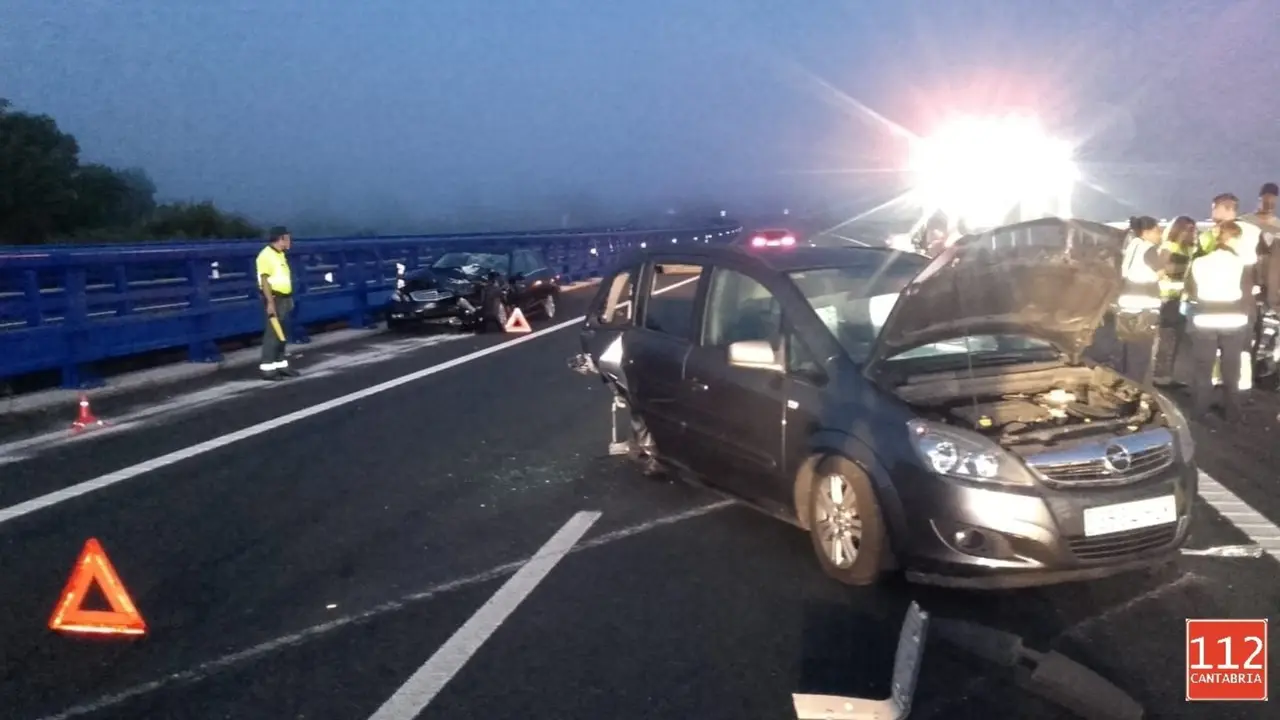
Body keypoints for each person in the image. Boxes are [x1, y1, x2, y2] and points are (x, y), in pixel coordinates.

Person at [1184, 221, 1251, 421]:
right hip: (1233, 320)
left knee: (1203, 368)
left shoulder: (1199, 262)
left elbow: (1191, 291)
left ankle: (1199, 411)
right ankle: (1232, 412)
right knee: (1231, 367)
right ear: (1233, 239)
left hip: (1204, 318)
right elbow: (1247, 292)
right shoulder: (1241, 263)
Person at [1114, 216, 1164, 384]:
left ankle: (1122, 383)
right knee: (1140, 355)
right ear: (1146, 232)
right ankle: (1136, 388)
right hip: (1144, 309)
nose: (1160, 234)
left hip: (1126, 306)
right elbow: (1160, 273)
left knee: (1126, 352)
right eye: (1157, 231)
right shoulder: (1149, 249)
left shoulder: (1132, 245)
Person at [1152, 216, 1197, 385]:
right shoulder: (1169, 247)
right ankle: (1159, 375)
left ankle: (1168, 375)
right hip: (1167, 298)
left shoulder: (1190, 249)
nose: (1192, 233)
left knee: (1177, 338)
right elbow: (1159, 270)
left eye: (1193, 229)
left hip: (1182, 299)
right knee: (1167, 338)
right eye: (1189, 229)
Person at [256, 226, 299, 381]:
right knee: (272, 334)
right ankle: (268, 369)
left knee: (282, 334)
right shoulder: (266, 255)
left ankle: (281, 365)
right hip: (274, 298)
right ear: (281, 238)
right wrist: (270, 303)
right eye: (288, 238)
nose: (290, 241)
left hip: (285, 298)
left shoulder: (280, 254)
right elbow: (264, 281)